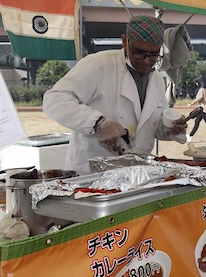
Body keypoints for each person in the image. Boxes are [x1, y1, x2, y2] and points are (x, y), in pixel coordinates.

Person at [42, 15, 187, 175]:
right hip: (91, 176)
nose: (146, 61)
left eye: (153, 55)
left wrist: (170, 128)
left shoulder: (158, 79)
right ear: (125, 41)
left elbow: (149, 128)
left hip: (136, 175)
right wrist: (98, 123)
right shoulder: (99, 64)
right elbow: (54, 99)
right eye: (139, 53)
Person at [186, 77, 206, 142]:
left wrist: (190, 104)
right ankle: (190, 135)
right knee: (197, 122)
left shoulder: (202, 90)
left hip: (203, 109)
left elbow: (198, 99)